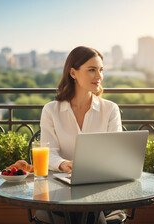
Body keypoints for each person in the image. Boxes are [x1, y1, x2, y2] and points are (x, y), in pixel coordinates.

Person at [40, 46, 123, 223]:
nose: (99, 76)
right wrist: (63, 164)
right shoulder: (51, 111)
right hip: (59, 191)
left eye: (101, 70)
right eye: (92, 70)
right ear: (73, 73)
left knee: (88, 211)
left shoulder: (110, 109)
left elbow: (115, 153)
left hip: (99, 190)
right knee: (87, 215)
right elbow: (47, 152)